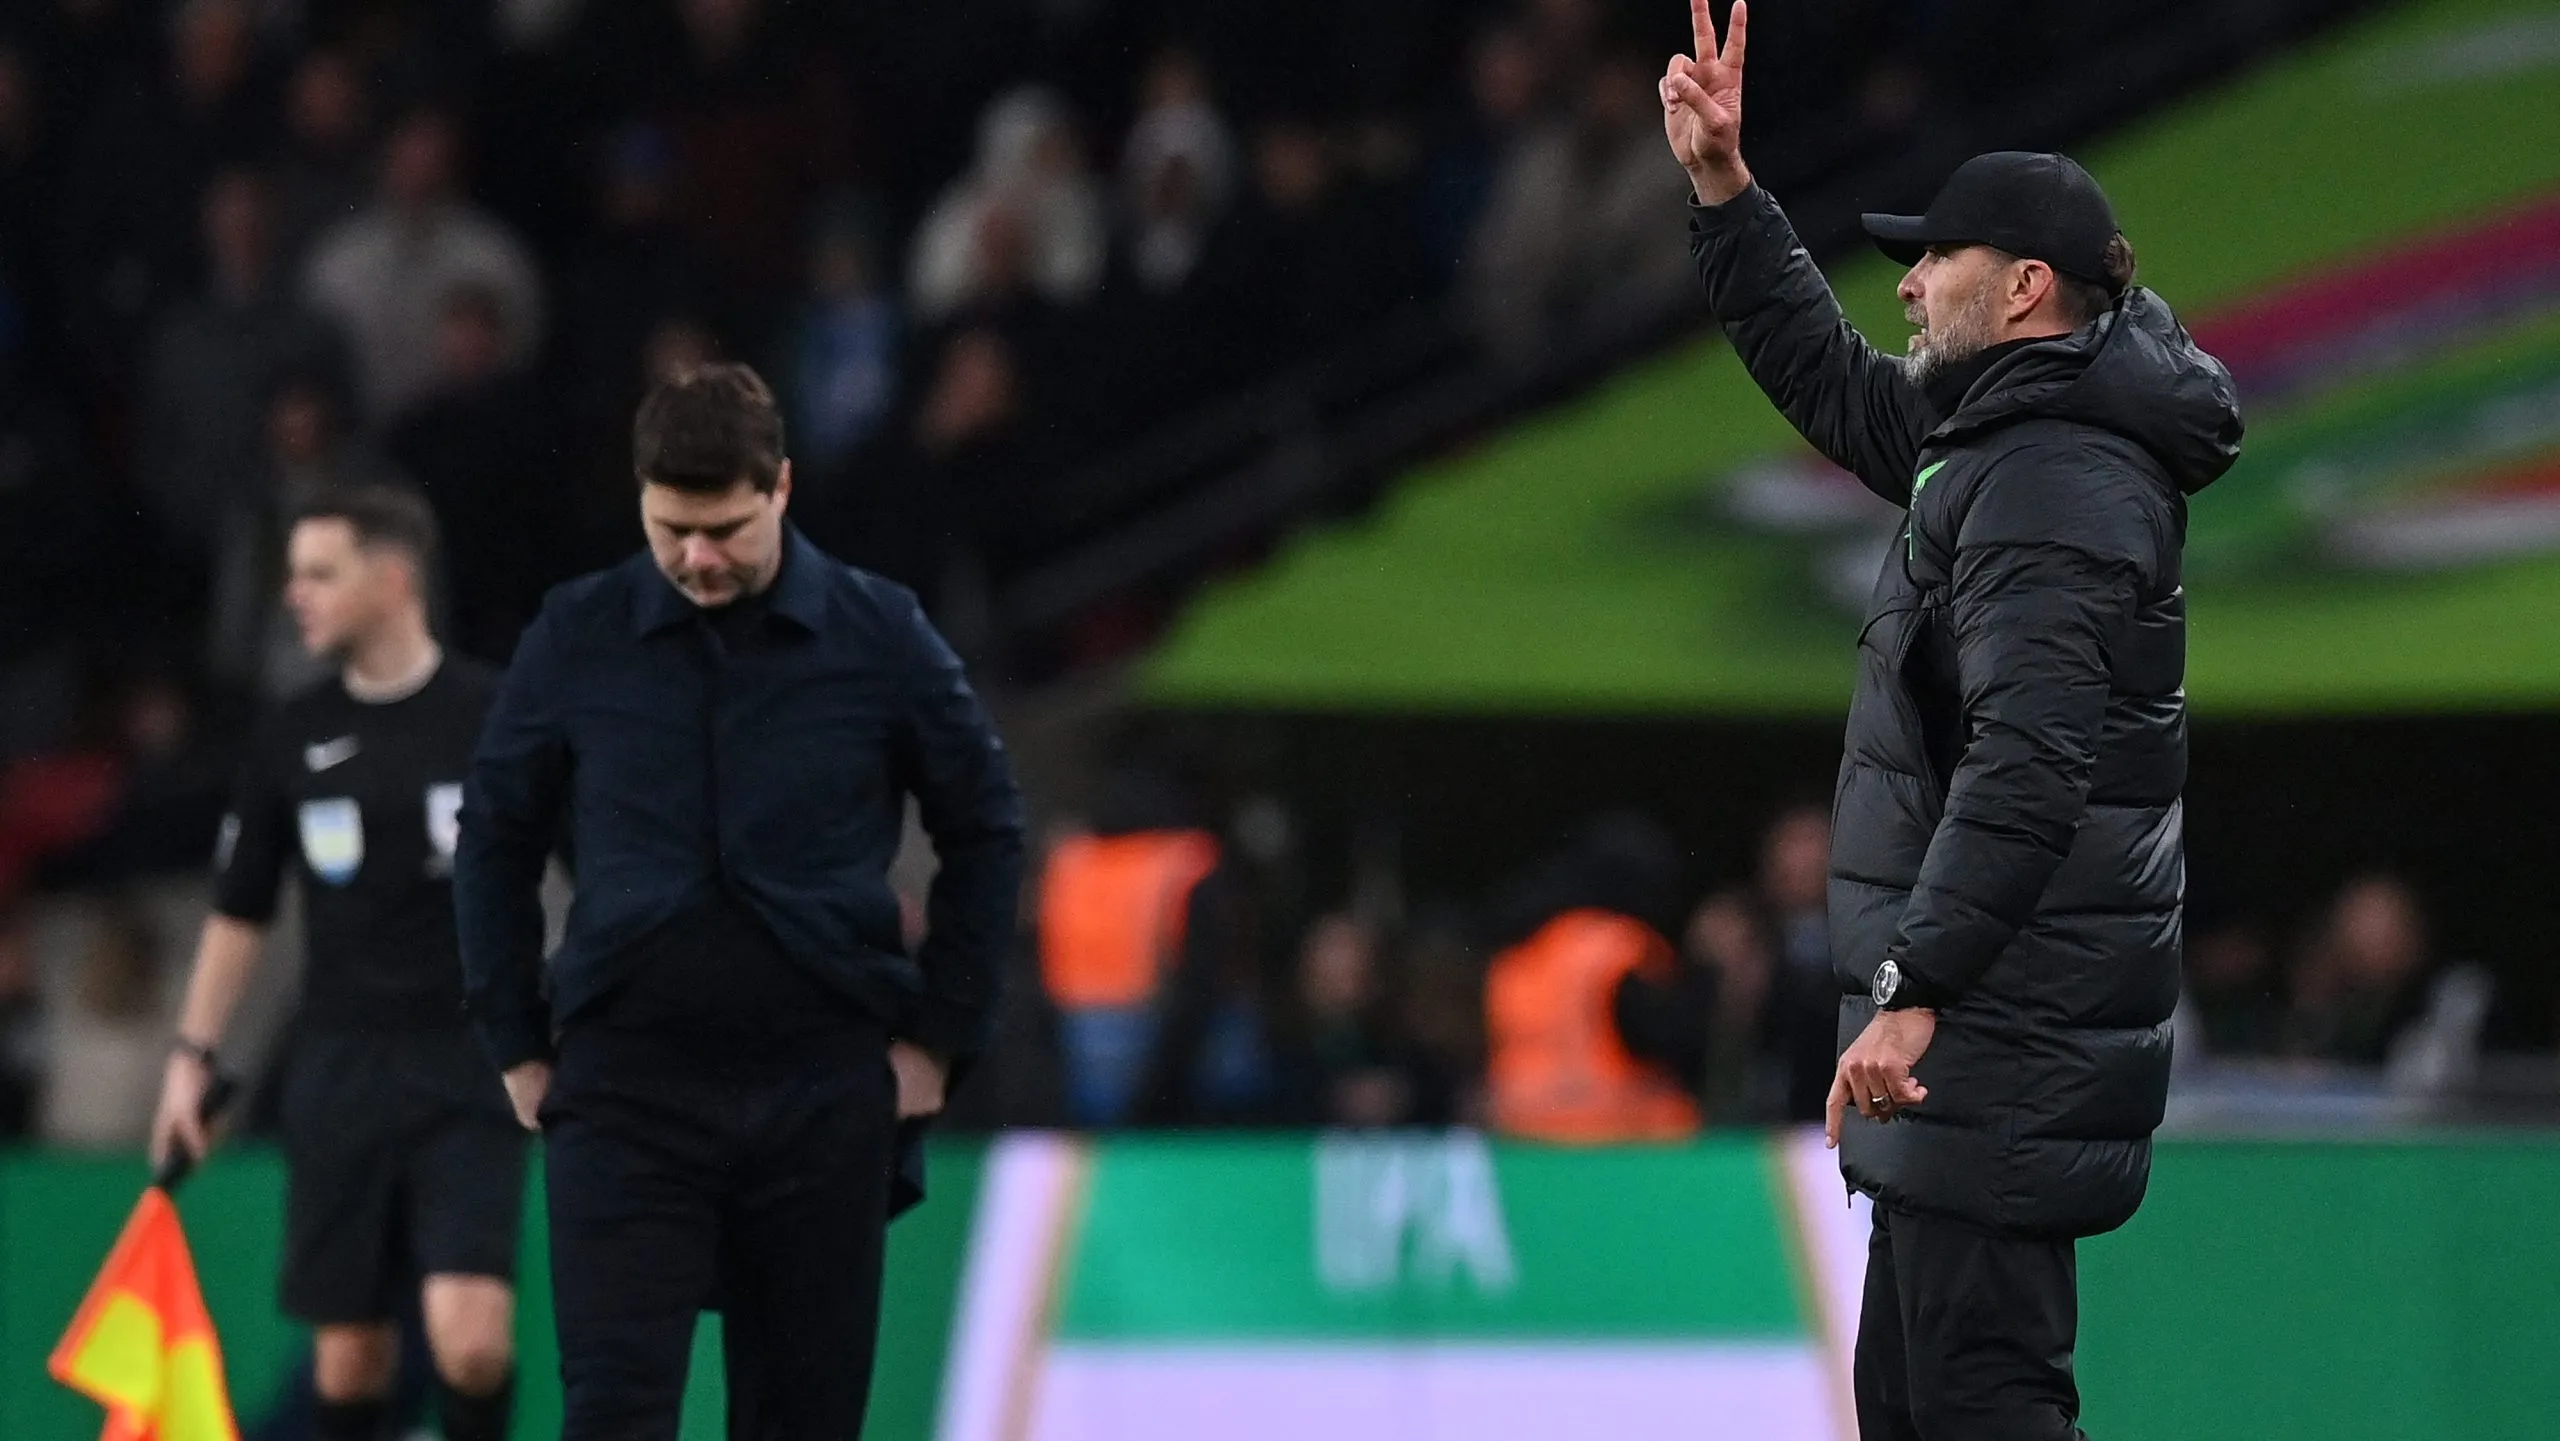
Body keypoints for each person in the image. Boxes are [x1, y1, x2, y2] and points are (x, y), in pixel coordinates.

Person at [1663, 4, 2242, 1436]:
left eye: (1936, 258)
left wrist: (1919, 984)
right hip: (1975, 1047)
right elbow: (1840, 384)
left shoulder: (2056, 476)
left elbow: (2031, 759)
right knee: (1919, 1408)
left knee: (1979, 1403)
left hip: (1993, 1034)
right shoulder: (2010, 433)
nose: (1910, 287)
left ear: (2029, 285)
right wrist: (1729, 193)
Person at [455, 363, 1025, 1439]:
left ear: (782, 490)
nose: (697, 557)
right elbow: (493, 834)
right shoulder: (575, 633)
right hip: (624, 1091)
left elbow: (987, 826)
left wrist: (941, 1036)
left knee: (801, 1421)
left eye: (723, 527)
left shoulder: (881, 630)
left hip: (821, 1092)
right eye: (672, 527)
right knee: (613, 1415)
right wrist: (514, 1038)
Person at [149, 485, 522, 1441]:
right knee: (350, 1356)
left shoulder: (497, 717)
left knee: (470, 1337)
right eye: (292, 575)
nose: (296, 596)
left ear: (394, 580)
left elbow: (591, 872)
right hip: (342, 1068)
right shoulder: (291, 731)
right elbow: (242, 909)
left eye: (320, 573)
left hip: (471, 1061)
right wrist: (193, 1057)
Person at [1482, 816, 1705, 1143]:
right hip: (1618, 1148)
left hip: (1527, 1149)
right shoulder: (1616, 948)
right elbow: (1666, 1039)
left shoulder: (1519, 957)